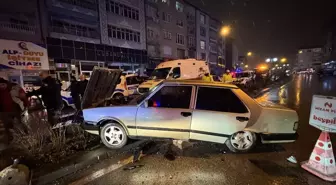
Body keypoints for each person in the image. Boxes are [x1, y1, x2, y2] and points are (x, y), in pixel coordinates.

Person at [0, 78, 28, 148]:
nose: (1, 86)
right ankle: (11, 140)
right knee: (8, 126)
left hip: (16, 109)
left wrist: (26, 105)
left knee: (20, 123)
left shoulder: (15, 88)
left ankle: (26, 136)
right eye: (0, 85)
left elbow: (23, 97)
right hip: (4, 111)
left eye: (3, 84)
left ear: (6, 84)